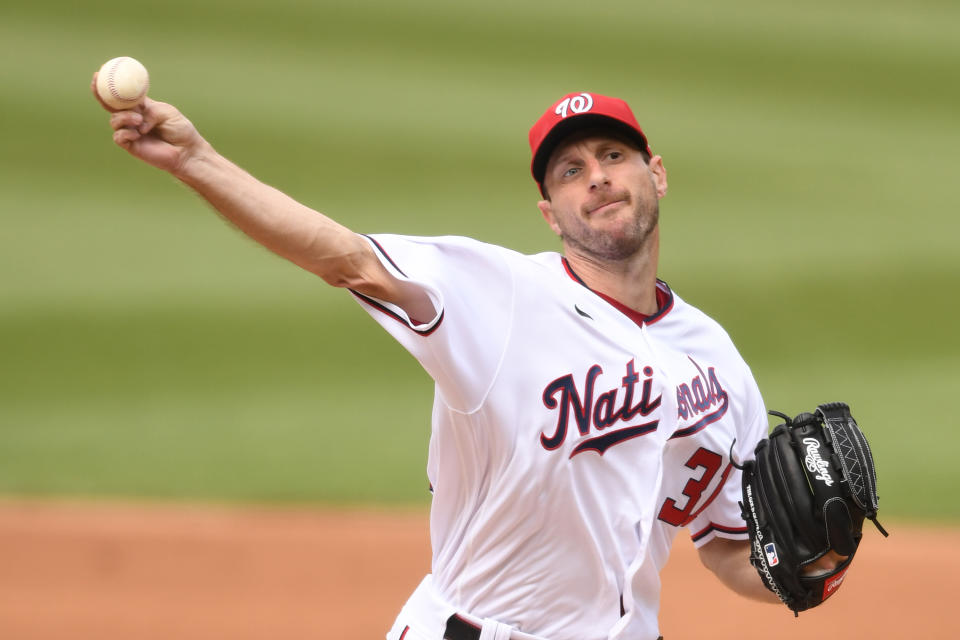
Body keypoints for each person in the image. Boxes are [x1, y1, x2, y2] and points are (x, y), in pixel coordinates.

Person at [93, 81, 779, 639]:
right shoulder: (502, 295)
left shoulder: (716, 361)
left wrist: (814, 565)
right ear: (550, 211)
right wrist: (195, 159)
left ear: (655, 174)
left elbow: (725, 544)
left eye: (612, 156)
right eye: (571, 170)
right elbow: (346, 257)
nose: (596, 178)